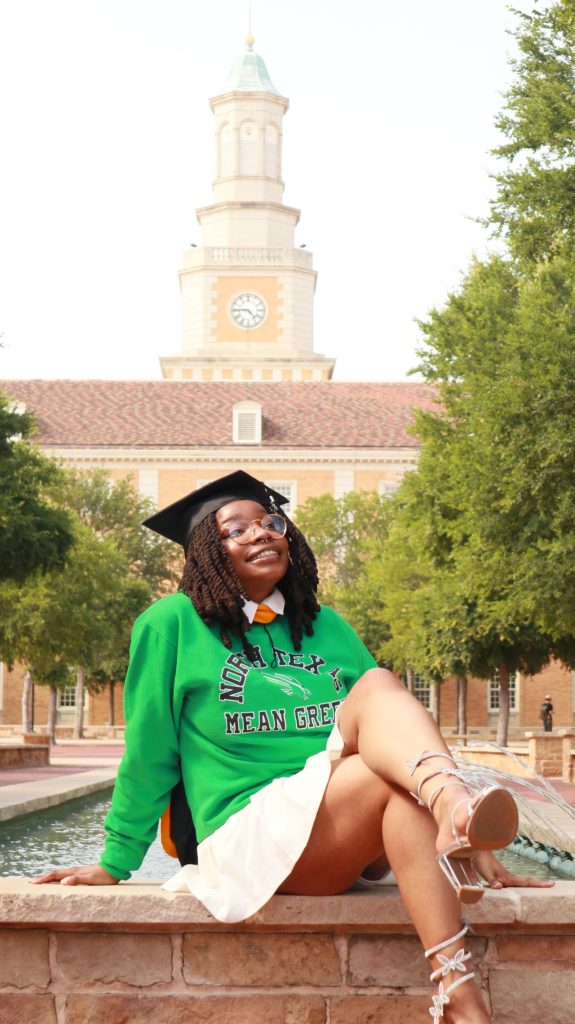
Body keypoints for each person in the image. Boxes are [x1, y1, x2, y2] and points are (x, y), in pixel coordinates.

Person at [32, 471, 553, 1024]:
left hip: (338, 828)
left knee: (379, 694)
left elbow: (398, 727)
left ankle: (458, 967)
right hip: (249, 831)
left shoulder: (325, 626)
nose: (261, 534)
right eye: (238, 530)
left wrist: (477, 846)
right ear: (208, 551)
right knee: (386, 764)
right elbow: (149, 751)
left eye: (270, 522)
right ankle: (463, 977)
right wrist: (116, 860)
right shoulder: (171, 624)